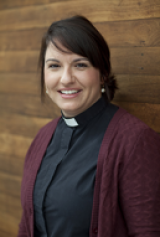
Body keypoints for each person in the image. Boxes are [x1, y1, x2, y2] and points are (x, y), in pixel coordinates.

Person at [17, 15, 160, 237]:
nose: (66, 79)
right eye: (54, 66)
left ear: (103, 74)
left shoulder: (135, 140)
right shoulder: (43, 137)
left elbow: (148, 231)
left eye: (80, 65)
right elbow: (27, 224)